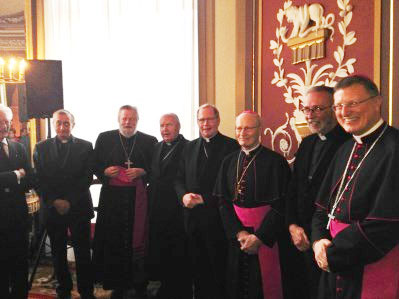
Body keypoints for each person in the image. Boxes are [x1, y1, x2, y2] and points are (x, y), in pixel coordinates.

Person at [311, 75, 399, 298]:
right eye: (339, 106)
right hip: (331, 261)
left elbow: (387, 224)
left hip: (371, 264)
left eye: (353, 103)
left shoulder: (394, 148)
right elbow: (322, 209)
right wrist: (318, 241)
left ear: (377, 101)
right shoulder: (344, 149)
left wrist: (333, 254)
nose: (345, 111)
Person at [215, 111, 306, 299]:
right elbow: (223, 202)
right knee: (236, 285)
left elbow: (282, 204)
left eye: (248, 128)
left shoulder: (275, 162)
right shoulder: (229, 161)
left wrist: (260, 237)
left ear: (259, 130)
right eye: (239, 128)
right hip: (238, 237)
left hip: (266, 237)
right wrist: (239, 233)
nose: (242, 133)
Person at [286, 86, 351, 299]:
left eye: (317, 109)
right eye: (306, 109)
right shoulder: (307, 143)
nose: (309, 115)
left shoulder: (349, 144)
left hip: (328, 239)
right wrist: (293, 225)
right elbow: (293, 188)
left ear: (333, 109)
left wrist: (316, 237)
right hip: (300, 236)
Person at [174, 104, 239, 299]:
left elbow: (233, 185)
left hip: (218, 219)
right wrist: (183, 196)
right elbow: (178, 179)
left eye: (209, 119)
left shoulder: (231, 146)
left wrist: (206, 199)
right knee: (196, 268)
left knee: (218, 269)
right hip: (192, 219)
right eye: (201, 120)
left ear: (218, 120)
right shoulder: (189, 147)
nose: (205, 124)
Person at [92, 105, 157, 299]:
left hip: (138, 199)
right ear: (118, 119)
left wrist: (143, 171)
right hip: (112, 200)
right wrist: (104, 171)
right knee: (114, 240)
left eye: (132, 119)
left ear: (138, 120)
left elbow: (157, 168)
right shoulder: (104, 138)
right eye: (124, 118)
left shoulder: (149, 141)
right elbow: (94, 164)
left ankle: (139, 283)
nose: (128, 122)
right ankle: (116, 283)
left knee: (139, 239)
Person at [33, 109, 95, 299]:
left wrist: (69, 201)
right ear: (53, 125)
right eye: (58, 123)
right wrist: (55, 201)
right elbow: (39, 179)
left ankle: (86, 291)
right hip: (52, 209)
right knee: (58, 253)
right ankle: (63, 290)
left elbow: (86, 178)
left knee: (83, 252)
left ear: (73, 125)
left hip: (78, 207)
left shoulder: (86, 146)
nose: (62, 127)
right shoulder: (41, 147)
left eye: (66, 123)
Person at [147, 113, 191, 299]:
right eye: (162, 125)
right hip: (157, 207)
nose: (165, 129)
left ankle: (179, 290)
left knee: (178, 251)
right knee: (161, 249)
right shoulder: (156, 146)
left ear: (178, 126)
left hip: (177, 209)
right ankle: (165, 286)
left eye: (169, 125)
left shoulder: (189, 147)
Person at [0, 104, 32, 299]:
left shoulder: (18, 147)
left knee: (20, 264)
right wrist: (14, 175)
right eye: (0, 122)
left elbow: (29, 176)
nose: (4, 126)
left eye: (6, 122)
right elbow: (20, 175)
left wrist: (16, 177)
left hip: (18, 217)